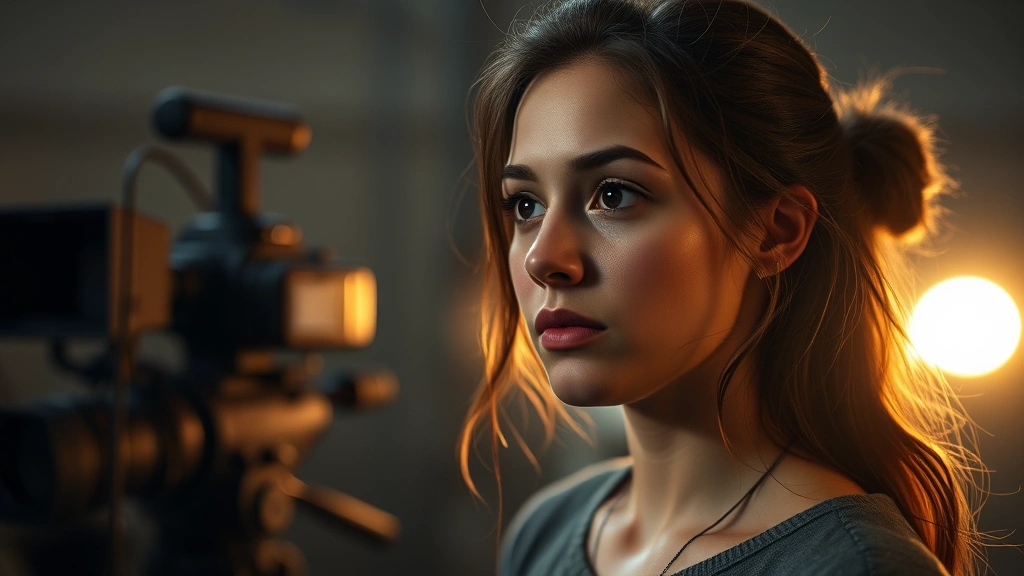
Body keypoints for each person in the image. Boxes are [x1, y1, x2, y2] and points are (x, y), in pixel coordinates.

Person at [457, 0, 986, 574]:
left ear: (775, 232)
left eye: (614, 194)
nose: (543, 258)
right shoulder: (544, 533)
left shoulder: (853, 566)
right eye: (525, 204)